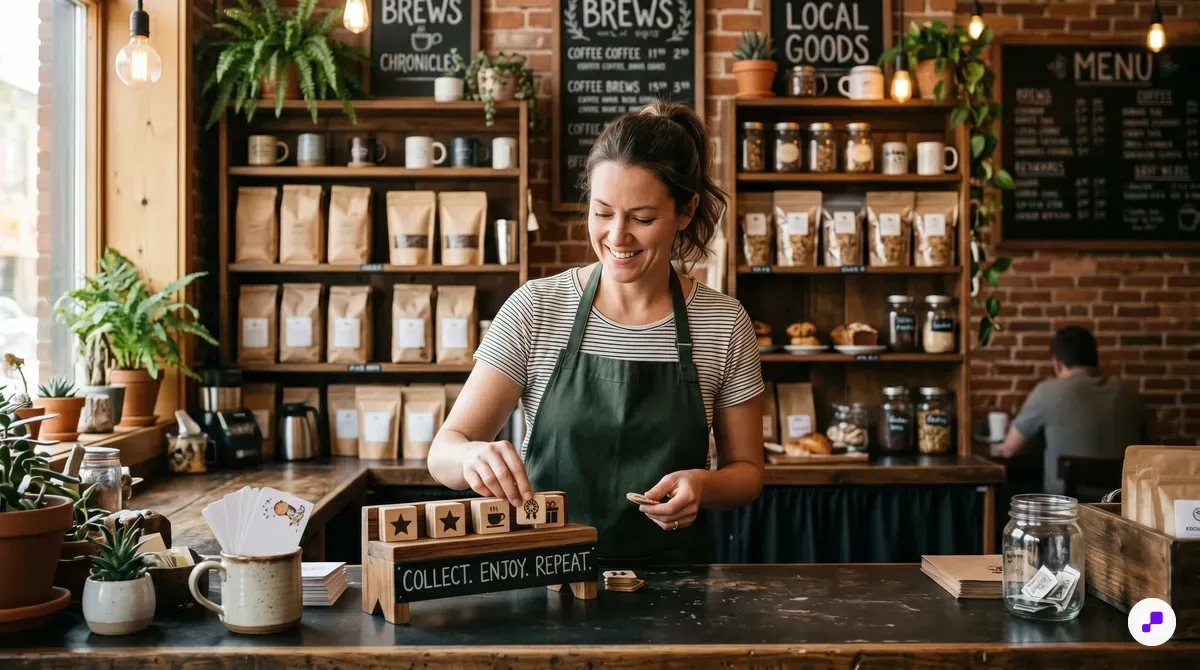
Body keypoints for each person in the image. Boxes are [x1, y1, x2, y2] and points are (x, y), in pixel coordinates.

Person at [427, 101, 765, 563]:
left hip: (670, 584)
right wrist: (470, 458)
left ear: (686, 210)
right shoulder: (536, 308)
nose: (617, 236)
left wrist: (703, 485)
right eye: (602, 213)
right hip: (543, 577)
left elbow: (747, 473)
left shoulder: (722, 322)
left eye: (642, 218)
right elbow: (443, 452)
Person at [999, 325, 1147, 494]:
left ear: (1057, 363)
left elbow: (1009, 450)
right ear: (1095, 359)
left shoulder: (1047, 392)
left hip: (1065, 506)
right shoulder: (1129, 393)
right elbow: (1148, 448)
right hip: (1119, 503)